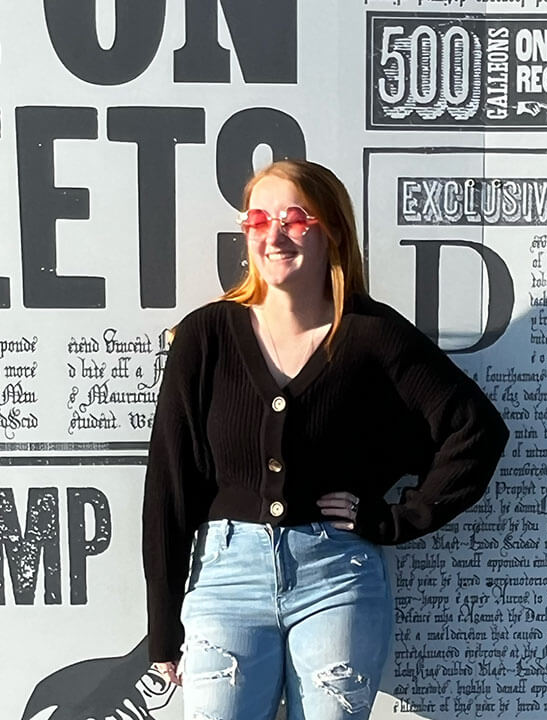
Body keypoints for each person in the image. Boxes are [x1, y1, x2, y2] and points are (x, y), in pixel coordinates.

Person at [142, 159, 509, 720]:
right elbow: (169, 485)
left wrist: (394, 521)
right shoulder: (205, 336)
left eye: (294, 218)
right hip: (226, 579)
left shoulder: (372, 334)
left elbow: (475, 430)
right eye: (258, 219)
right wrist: (163, 629)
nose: (274, 234)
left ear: (331, 228)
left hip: (337, 576)